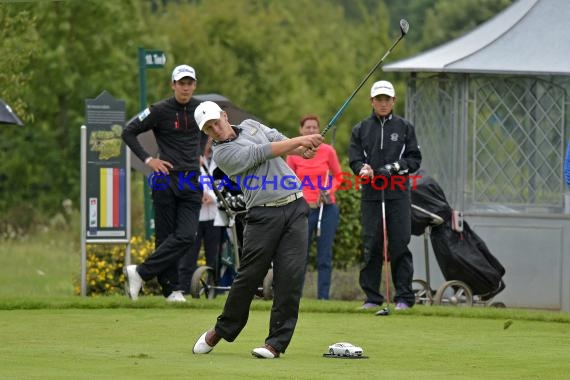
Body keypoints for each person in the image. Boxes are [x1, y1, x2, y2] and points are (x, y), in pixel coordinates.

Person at [191, 101, 323, 359]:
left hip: (296, 206)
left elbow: (275, 137)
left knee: (290, 278)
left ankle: (275, 344)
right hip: (263, 214)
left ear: (225, 116)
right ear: (206, 133)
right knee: (249, 276)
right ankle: (221, 329)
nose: (216, 129)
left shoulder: (250, 125)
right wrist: (300, 140)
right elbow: (262, 152)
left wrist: (303, 148)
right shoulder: (222, 154)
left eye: (216, 122)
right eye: (209, 128)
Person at [121, 64, 203, 302]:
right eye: (181, 83)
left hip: (191, 178)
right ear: (173, 85)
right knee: (165, 236)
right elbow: (128, 132)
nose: (185, 87)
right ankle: (171, 290)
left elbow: (213, 128)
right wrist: (149, 160)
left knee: (187, 235)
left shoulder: (201, 109)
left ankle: (140, 272)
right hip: (164, 178)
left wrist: (199, 148)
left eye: (189, 83)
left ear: (194, 85)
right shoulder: (159, 110)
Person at [348, 80, 422, 311]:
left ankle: (404, 298)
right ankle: (372, 297)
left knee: (400, 243)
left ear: (393, 101)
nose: (382, 103)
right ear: (372, 101)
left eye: (386, 99)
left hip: (398, 193)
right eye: (378, 99)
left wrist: (392, 168)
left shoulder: (405, 127)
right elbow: (355, 158)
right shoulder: (360, 129)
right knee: (372, 245)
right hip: (371, 193)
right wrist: (363, 169)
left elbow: (414, 160)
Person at [286, 115, 341, 300]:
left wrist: (328, 190)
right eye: (307, 128)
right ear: (301, 130)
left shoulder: (328, 151)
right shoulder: (293, 152)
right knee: (300, 256)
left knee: (324, 256)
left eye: (314, 128)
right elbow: (289, 181)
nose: (311, 131)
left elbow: (338, 176)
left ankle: (323, 298)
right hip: (303, 210)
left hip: (327, 209)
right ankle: (296, 297)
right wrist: (301, 200)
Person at [178, 140, 224, 294]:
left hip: (215, 217)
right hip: (194, 216)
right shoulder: (190, 161)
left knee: (214, 256)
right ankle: (183, 288)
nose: (210, 146)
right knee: (189, 255)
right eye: (208, 142)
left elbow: (225, 185)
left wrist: (212, 197)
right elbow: (183, 184)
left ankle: (213, 290)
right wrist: (198, 195)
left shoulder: (220, 161)